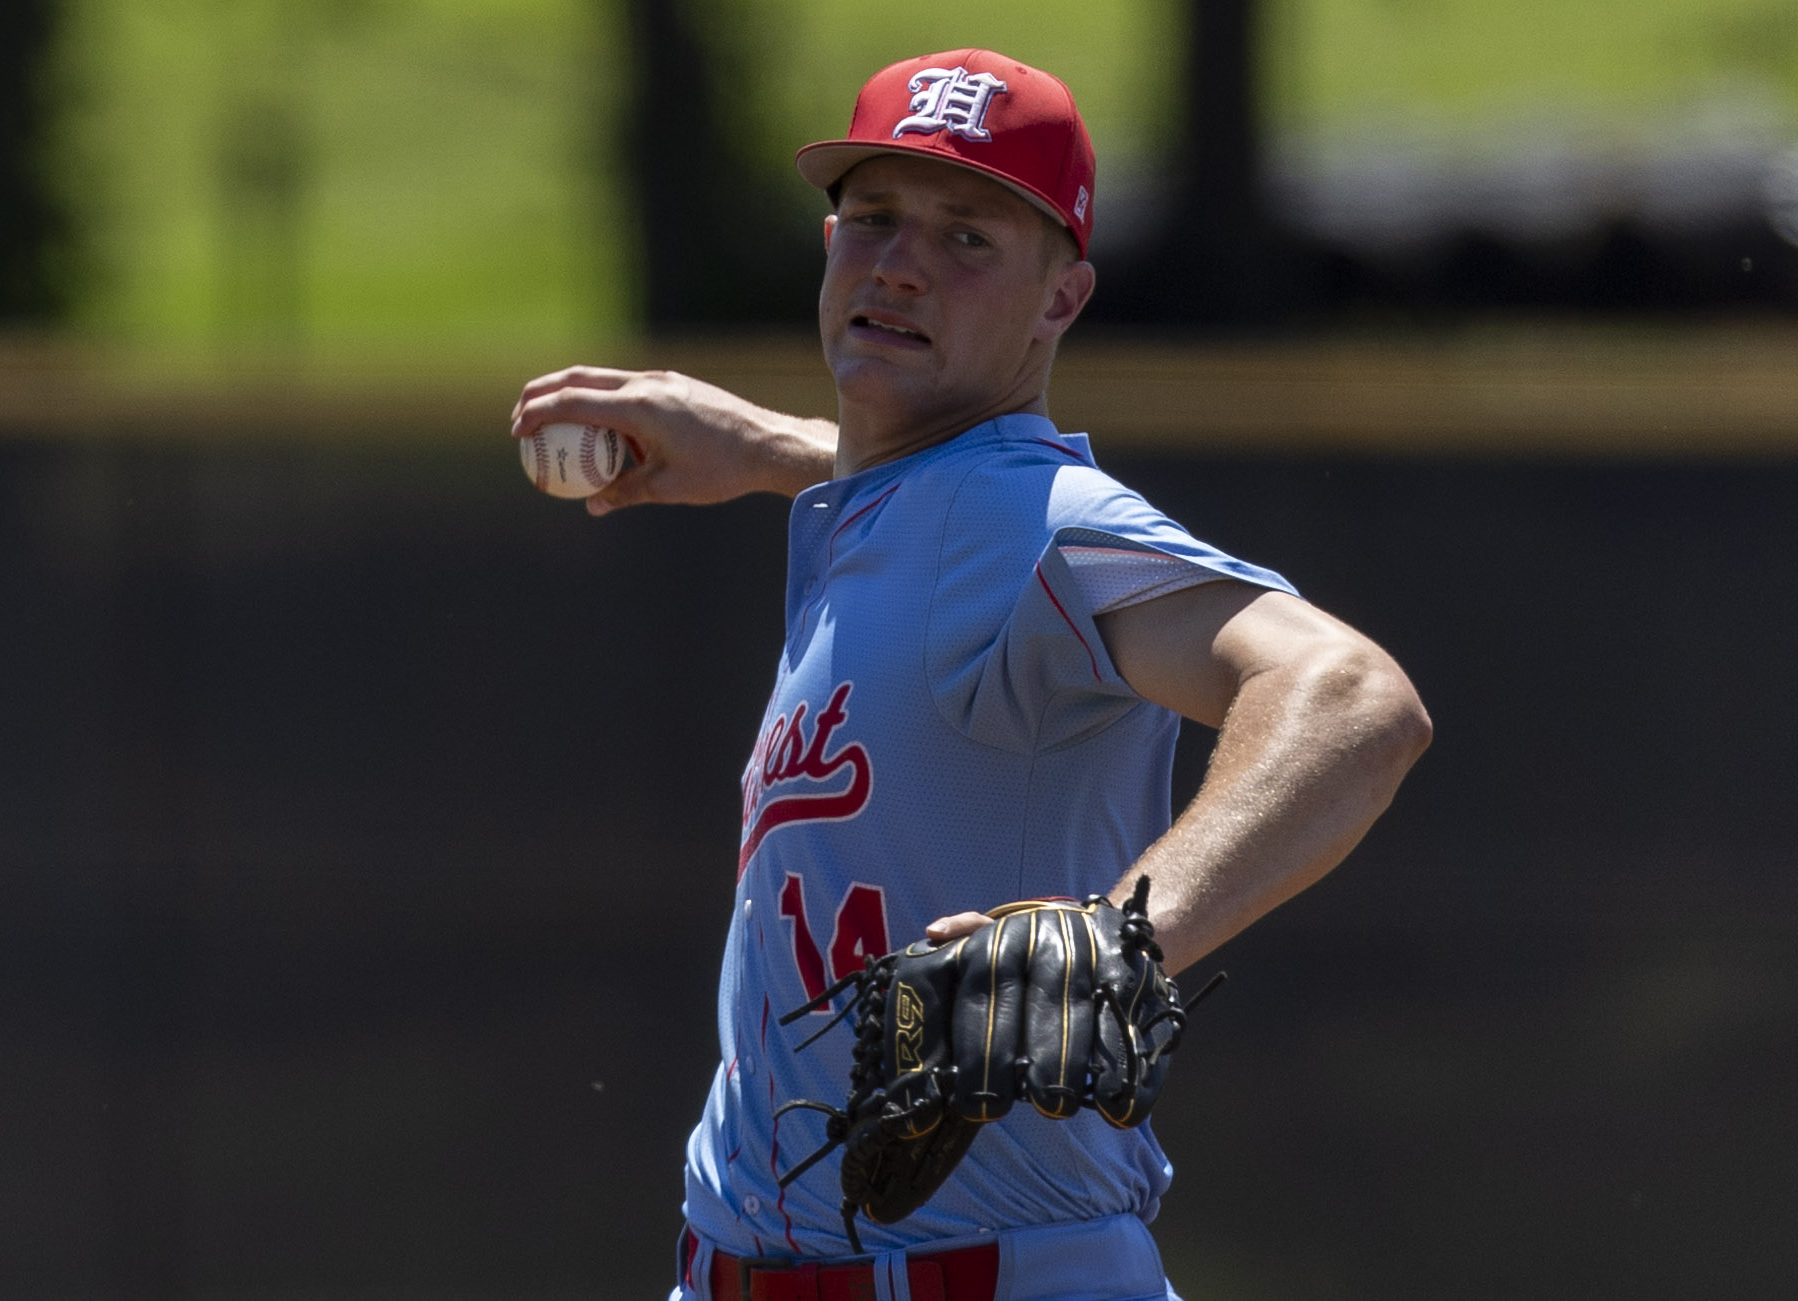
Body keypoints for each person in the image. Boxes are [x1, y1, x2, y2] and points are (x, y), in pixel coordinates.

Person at [511, 49, 1430, 1301]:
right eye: (874, 218)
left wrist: (1120, 940)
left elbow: (1353, 699)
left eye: (968, 236)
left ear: (1063, 298)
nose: (898, 264)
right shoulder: (903, 515)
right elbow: (942, 507)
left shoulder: (1039, 520)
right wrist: (781, 446)